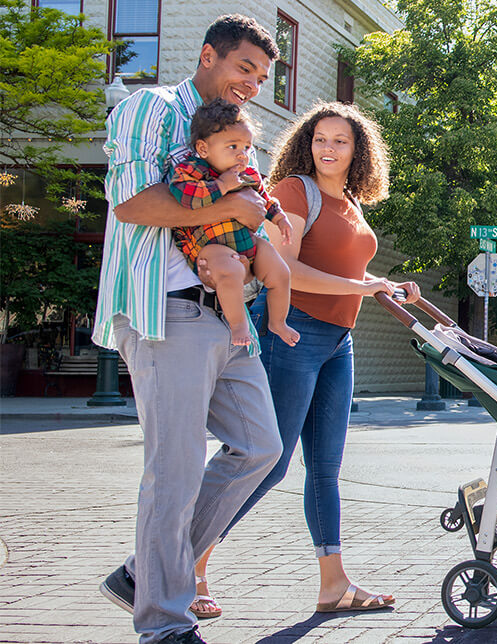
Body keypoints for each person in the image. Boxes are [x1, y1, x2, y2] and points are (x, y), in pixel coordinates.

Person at [95, 15, 283, 644]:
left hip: (228, 310)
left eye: (261, 75)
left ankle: (143, 574)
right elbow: (131, 204)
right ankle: (164, 625)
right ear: (208, 56)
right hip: (165, 307)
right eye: (243, 68)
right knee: (173, 470)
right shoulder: (151, 109)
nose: (252, 83)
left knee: (259, 448)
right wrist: (229, 205)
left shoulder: (239, 133)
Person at [190, 101, 421, 616]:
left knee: (325, 470)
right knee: (263, 462)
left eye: (340, 140)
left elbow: (347, 270)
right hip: (292, 335)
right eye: (320, 139)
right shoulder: (296, 191)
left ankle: (333, 586)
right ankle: (190, 564)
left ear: (359, 150)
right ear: (306, 143)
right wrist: (366, 287)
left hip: (340, 341)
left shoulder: (351, 203)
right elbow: (285, 270)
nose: (328, 148)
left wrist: (383, 289)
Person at [170, 99, 299, 349]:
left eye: (247, 147)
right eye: (233, 146)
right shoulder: (194, 170)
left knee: (281, 272)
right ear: (204, 148)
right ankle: (238, 324)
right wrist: (221, 186)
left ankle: (278, 322)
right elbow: (184, 196)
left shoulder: (248, 174)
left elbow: (265, 199)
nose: (242, 154)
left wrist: (280, 217)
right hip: (211, 245)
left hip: (248, 241)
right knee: (230, 272)